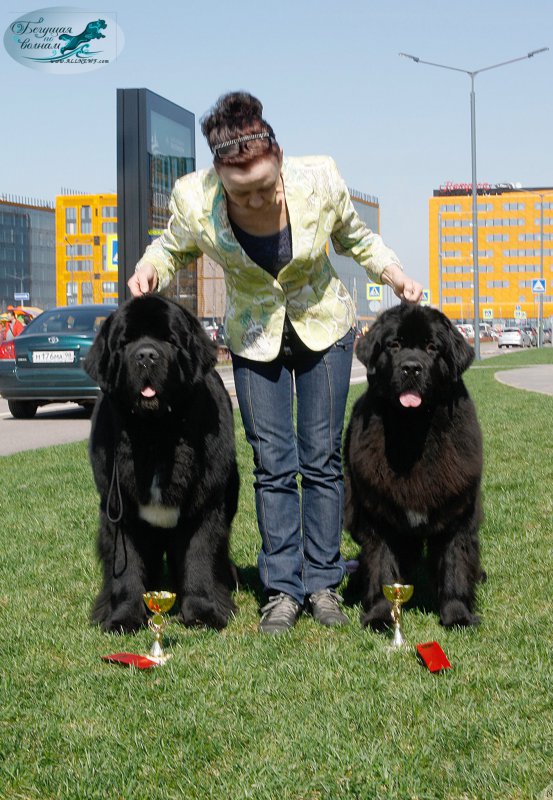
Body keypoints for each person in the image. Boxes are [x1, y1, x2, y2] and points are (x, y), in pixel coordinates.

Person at [128, 91, 422, 634]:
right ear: (220, 177)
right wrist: (150, 268)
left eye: (266, 186)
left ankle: (324, 584)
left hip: (323, 326)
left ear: (280, 160)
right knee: (273, 463)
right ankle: (283, 588)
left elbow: (356, 238)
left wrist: (396, 274)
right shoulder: (195, 200)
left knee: (320, 460)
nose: (259, 200)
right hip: (253, 334)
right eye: (244, 193)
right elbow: (171, 245)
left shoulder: (321, 180)